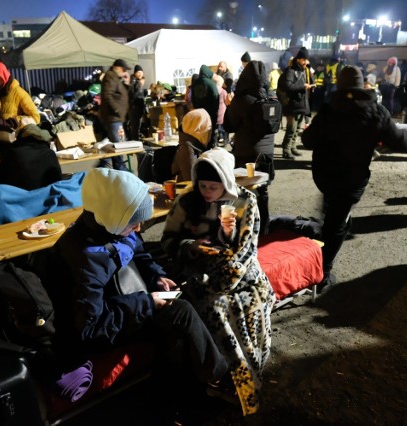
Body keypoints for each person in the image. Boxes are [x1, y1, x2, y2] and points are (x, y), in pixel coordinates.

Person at [54, 168, 228, 414]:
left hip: (125, 299)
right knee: (181, 311)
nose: (138, 229)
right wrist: (146, 303)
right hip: (105, 327)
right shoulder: (84, 259)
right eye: (133, 222)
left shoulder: (107, 225)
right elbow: (91, 328)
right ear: (114, 215)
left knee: (181, 314)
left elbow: (138, 251)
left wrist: (156, 276)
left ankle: (187, 398)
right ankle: (218, 377)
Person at [161, 148, 275, 416]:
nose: (208, 192)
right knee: (214, 308)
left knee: (253, 302)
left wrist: (224, 278)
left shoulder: (245, 201)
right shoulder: (187, 201)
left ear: (226, 181)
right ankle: (224, 379)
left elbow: (247, 249)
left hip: (240, 273)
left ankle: (246, 379)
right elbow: (168, 241)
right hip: (198, 272)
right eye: (203, 185)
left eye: (214, 186)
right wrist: (191, 246)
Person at [302, 65, 407, 289]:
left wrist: (310, 131)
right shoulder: (376, 111)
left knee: (332, 215)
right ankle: (322, 274)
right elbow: (398, 140)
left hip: (324, 175)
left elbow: (308, 140)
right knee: (336, 225)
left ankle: (322, 244)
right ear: (362, 84)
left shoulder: (327, 110)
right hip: (350, 180)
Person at [224, 60, 275, 235]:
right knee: (263, 190)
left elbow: (229, 125)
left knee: (244, 191)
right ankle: (265, 227)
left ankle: (247, 228)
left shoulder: (241, 99)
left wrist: (230, 105)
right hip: (267, 151)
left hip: (247, 152)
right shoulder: (270, 96)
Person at [0, 60, 40, 157]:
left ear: (3, 74)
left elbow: (35, 117)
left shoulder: (19, 93)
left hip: (16, 142)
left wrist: (15, 121)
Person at [0, 123, 62, 191]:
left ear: (20, 138)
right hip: (45, 197)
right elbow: (57, 181)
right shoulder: (49, 154)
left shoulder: (12, 153)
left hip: (18, 199)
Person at [279, 47, 313, 159]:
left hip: (301, 104)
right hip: (291, 105)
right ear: (298, 59)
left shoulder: (303, 71)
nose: (306, 62)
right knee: (291, 129)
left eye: (307, 60)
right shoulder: (290, 71)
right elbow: (288, 86)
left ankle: (293, 147)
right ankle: (286, 149)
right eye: (304, 59)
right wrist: (302, 87)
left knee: (297, 129)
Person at [100, 59, 131, 170]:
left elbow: (119, 94)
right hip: (113, 118)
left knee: (114, 146)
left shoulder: (115, 78)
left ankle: (102, 168)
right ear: (117, 68)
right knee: (118, 146)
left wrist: (126, 84)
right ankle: (122, 170)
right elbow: (107, 95)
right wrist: (117, 110)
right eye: (123, 70)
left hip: (116, 117)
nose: (124, 72)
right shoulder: (110, 76)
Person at [171, 108, 212, 182]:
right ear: (198, 127)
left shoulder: (196, 144)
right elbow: (191, 181)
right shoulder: (187, 149)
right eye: (207, 125)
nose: (209, 129)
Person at [191, 65, 220, 145]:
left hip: (199, 112)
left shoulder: (195, 83)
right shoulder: (211, 83)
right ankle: (211, 147)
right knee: (210, 132)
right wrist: (216, 110)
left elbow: (192, 98)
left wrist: (195, 107)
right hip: (210, 112)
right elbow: (216, 97)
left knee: (200, 131)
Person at [128, 65, 147, 141]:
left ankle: (136, 143)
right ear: (135, 73)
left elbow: (139, 94)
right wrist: (140, 85)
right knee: (135, 128)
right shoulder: (133, 81)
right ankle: (135, 145)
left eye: (141, 72)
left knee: (137, 127)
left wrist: (145, 93)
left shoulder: (138, 81)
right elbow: (133, 95)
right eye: (138, 72)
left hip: (138, 107)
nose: (140, 74)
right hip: (134, 108)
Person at [211, 74, 228, 145]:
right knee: (223, 128)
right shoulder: (223, 92)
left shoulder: (211, 91)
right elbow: (226, 102)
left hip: (214, 114)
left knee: (215, 129)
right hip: (222, 114)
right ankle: (224, 140)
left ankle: (215, 142)